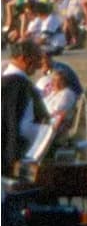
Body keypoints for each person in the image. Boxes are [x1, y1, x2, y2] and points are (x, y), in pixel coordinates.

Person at [1, 40, 48, 177]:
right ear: (23, 58)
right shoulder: (18, 86)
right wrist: (48, 130)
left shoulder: (10, 82)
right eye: (37, 58)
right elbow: (19, 126)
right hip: (15, 156)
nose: (39, 65)